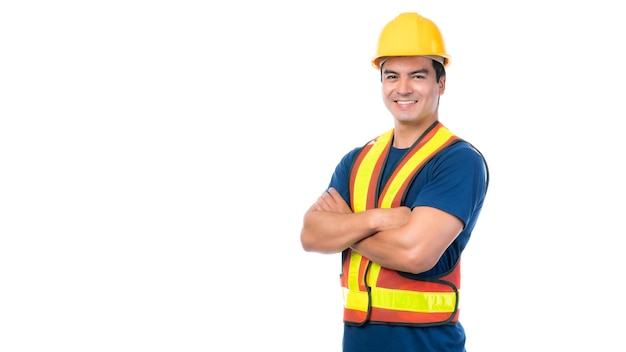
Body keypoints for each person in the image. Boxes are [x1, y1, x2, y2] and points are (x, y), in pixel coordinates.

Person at [300, 11, 489, 352]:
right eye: (392, 76)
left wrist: (345, 226)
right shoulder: (357, 160)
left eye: (417, 76)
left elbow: (415, 253)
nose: (402, 88)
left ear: (440, 83)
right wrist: (377, 219)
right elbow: (311, 235)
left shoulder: (458, 161)